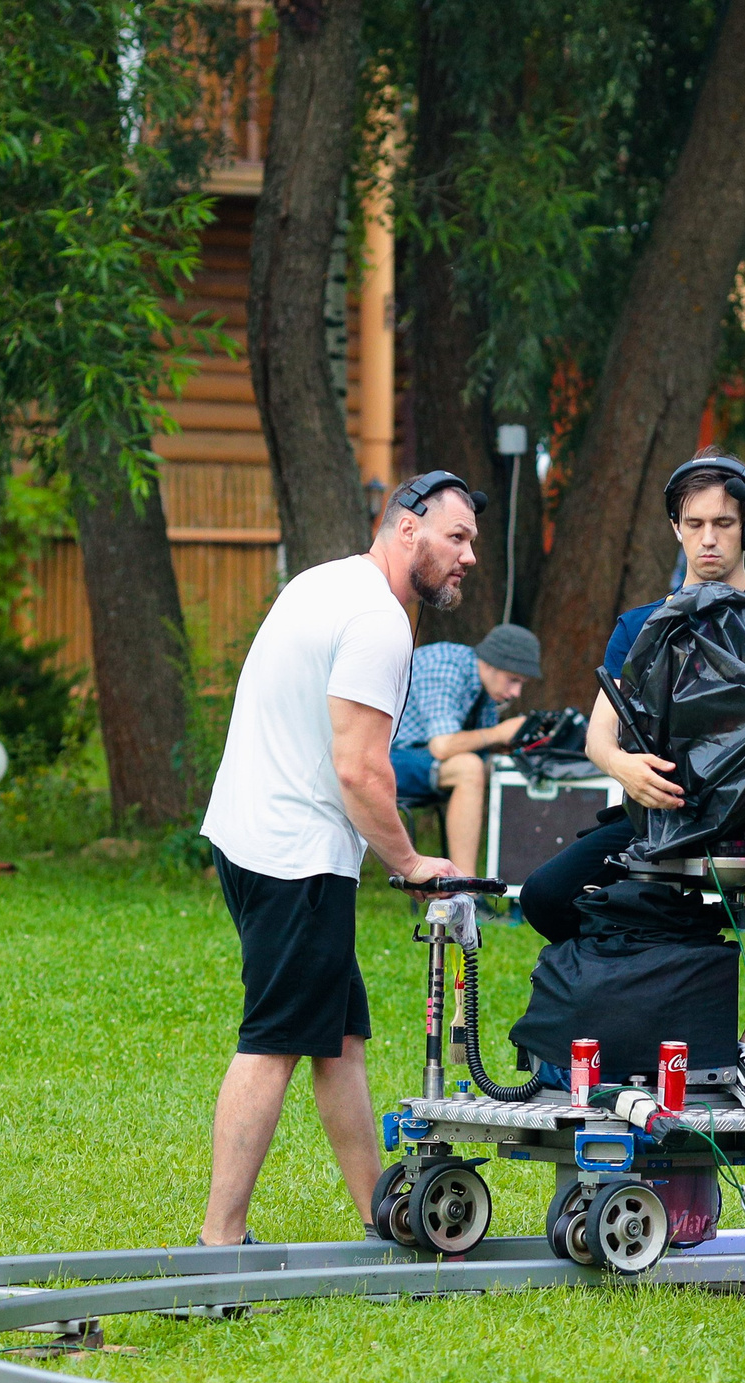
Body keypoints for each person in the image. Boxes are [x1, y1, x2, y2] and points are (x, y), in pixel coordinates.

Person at [195, 471, 478, 1246]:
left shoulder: (323, 583)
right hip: (297, 854)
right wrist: (413, 861)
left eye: (473, 543)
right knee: (275, 1040)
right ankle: (220, 1242)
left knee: (340, 1038)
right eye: (456, 538)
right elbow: (358, 767)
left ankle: (378, 1217)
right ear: (408, 528)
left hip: (249, 833)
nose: (468, 557)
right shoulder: (379, 620)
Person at [518, 451, 745, 1110]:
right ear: (675, 527)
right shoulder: (642, 625)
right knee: (543, 896)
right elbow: (596, 737)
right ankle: (639, 984)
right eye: (694, 523)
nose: (709, 538)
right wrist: (624, 770)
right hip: (666, 818)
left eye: (724, 522)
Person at [389, 624, 543, 878]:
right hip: (386, 757)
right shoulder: (445, 667)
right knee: (468, 768)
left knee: (498, 765)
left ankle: (520, 881)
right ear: (491, 663)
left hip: (417, 758)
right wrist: (500, 733)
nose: (516, 692)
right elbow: (443, 746)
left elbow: (476, 743)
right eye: (513, 680)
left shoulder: (483, 685)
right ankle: (466, 889)